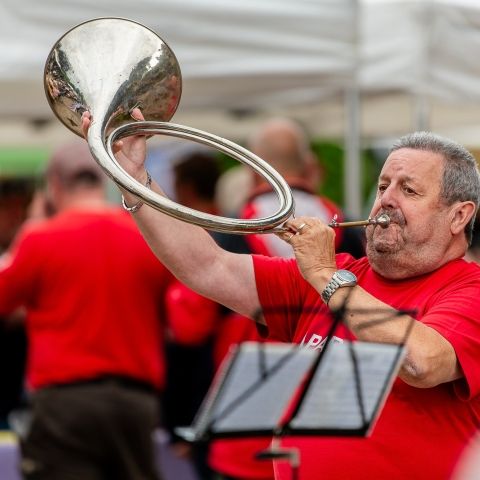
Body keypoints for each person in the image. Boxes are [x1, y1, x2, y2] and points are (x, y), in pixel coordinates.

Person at [83, 110, 480, 479]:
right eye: (382, 185)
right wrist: (133, 178)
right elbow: (208, 266)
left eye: (408, 189)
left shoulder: (468, 289)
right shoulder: (338, 273)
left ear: (458, 216)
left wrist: (326, 276)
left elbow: (422, 362)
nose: (386, 198)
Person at [0, 138, 173, 480]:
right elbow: (185, 322)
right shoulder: (146, 237)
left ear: (53, 185)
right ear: (104, 179)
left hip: (65, 403)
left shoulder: (41, 238)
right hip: (135, 403)